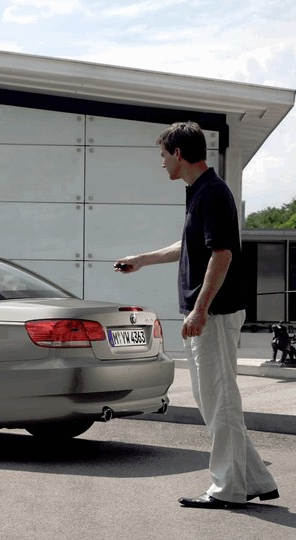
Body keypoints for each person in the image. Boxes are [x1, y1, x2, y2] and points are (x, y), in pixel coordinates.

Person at [114, 121, 279, 510]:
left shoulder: (213, 193)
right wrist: (143, 260)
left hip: (215, 315)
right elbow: (191, 245)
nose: (161, 164)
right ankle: (254, 479)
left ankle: (226, 489)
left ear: (177, 153)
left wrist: (201, 310)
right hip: (208, 313)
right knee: (217, 402)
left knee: (218, 402)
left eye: (162, 156)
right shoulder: (199, 192)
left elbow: (222, 254)